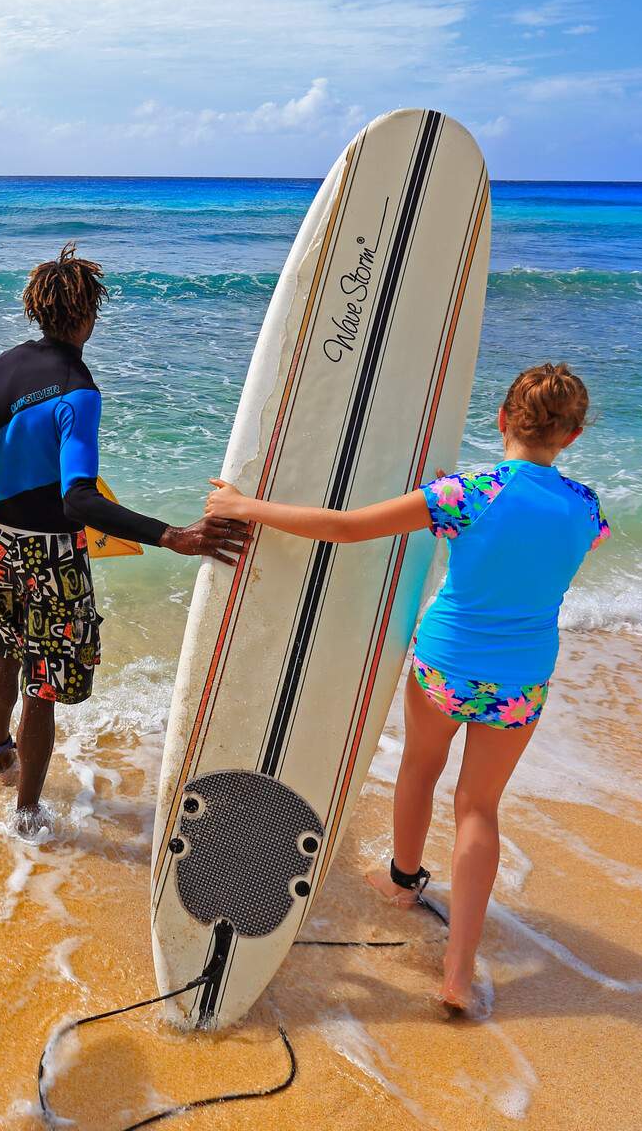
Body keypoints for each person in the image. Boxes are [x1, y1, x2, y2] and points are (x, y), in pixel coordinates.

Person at [205, 363, 607, 1015]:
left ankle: (401, 882)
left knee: (421, 769)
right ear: (573, 435)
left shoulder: (470, 491)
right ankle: (458, 972)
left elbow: (346, 527)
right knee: (478, 807)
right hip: (522, 679)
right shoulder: (585, 507)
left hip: (446, 664)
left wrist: (244, 506)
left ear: (502, 419)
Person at [0, 244, 247, 836]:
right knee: (41, 684)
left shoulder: (4, 364)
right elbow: (79, 500)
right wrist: (172, 535)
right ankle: (25, 817)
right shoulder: (78, 388)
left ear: (38, 310)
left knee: (4, 649)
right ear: (88, 314)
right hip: (50, 552)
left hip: (0, 539)